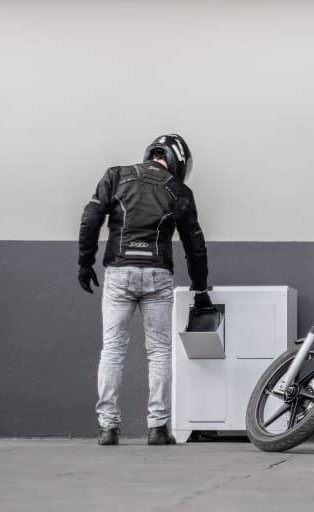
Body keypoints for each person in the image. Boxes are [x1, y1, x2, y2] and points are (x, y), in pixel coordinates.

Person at [78, 134, 213, 446]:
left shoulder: (116, 176)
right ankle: (157, 427)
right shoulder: (179, 190)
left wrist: (85, 263)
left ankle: (108, 427)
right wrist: (200, 286)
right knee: (159, 351)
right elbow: (196, 245)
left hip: (119, 272)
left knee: (112, 349)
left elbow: (90, 218)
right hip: (157, 275)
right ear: (177, 160)